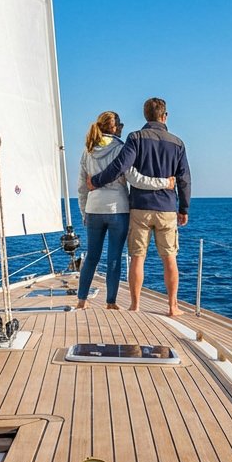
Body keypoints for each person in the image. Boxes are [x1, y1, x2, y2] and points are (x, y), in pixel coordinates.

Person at [89, 97, 192, 315]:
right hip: (166, 208)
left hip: (139, 207)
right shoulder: (178, 143)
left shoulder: (135, 138)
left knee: (137, 257)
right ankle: (173, 307)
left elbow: (120, 166)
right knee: (169, 258)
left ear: (146, 116)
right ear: (165, 116)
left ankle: (135, 305)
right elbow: (184, 178)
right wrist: (184, 208)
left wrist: (96, 181)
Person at [76, 111, 175, 310]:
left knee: (92, 257)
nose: (122, 126)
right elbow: (135, 179)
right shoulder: (121, 148)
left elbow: (81, 186)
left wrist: (84, 212)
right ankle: (111, 302)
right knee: (114, 257)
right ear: (113, 128)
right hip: (117, 209)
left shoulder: (88, 150)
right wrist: (165, 182)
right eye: (119, 124)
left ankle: (81, 301)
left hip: (94, 209)